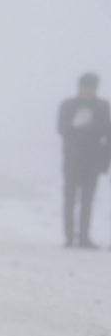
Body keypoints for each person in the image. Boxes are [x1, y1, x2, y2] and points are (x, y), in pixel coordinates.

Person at [58, 72, 111, 248]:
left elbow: (108, 134)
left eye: (92, 88)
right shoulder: (68, 106)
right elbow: (62, 129)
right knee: (70, 199)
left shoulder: (103, 107)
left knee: (87, 201)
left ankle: (84, 238)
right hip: (72, 160)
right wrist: (81, 128)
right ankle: (69, 237)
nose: (88, 91)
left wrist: (105, 162)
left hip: (93, 162)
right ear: (79, 87)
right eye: (85, 87)